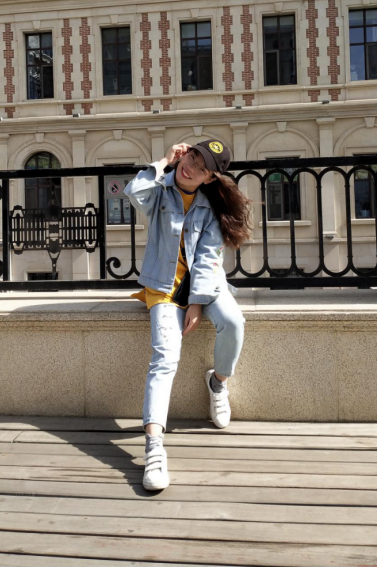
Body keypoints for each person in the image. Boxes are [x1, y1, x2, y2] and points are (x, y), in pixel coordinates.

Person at [124, 139, 252, 490]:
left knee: (233, 322)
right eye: (191, 156)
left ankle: (218, 382)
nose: (190, 166)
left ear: (210, 178)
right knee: (165, 357)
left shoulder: (209, 207)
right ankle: (154, 448)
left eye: (201, 166)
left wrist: (196, 301)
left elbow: (209, 259)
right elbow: (134, 191)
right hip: (163, 287)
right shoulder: (161, 190)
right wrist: (163, 162)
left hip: (206, 286)